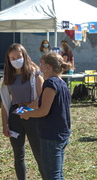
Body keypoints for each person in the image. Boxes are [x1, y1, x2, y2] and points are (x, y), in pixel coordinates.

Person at [21, 52, 71, 180]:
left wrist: (28, 115)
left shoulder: (49, 83)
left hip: (51, 136)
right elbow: (42, 102)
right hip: (61, 133)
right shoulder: (61, 82)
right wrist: (27, 108)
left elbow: (44, 110)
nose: (39, 67)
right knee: (58, 174)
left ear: (47, 67)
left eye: (41, 64)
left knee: (52, 176)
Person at [0, 43, 45, 180]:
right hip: (15, 116)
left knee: (39, 154)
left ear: (24, 56)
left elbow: (42, 99)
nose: (16, 60)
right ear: (8, 60)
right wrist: (4, 125)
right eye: (12, 58)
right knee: (18, 155)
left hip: (32, 115)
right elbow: (4, 103)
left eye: (18, 57)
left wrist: (27, 110)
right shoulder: (7, 77)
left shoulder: (35, 74)